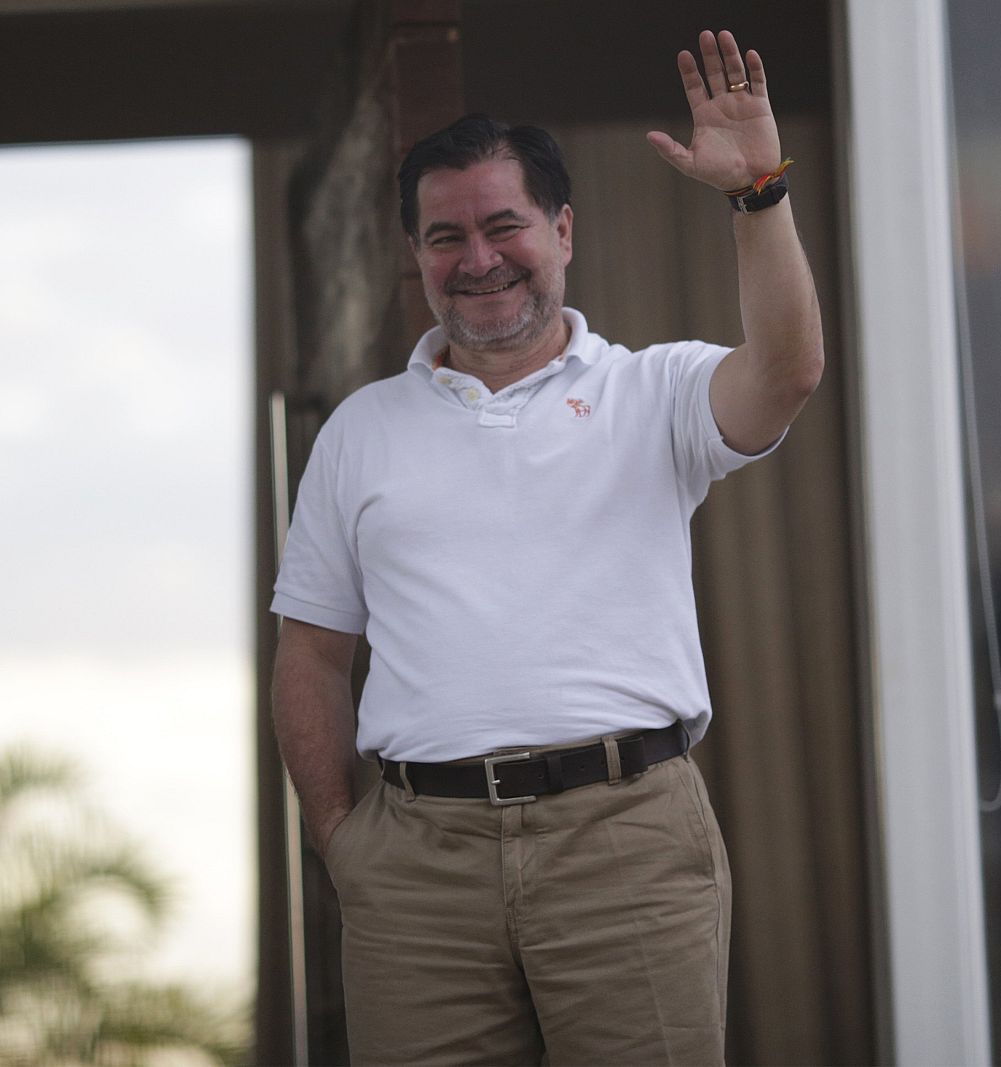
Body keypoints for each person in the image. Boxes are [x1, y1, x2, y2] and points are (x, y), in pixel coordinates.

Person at [269, 28, 821, 1065]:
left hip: (624, 844)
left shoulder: (651, 390)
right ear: (415, 254)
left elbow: (786, 369)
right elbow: (310, 655)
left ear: (564, 230)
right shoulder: (360, 430)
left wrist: (757, 194)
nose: (477, 258)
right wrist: (341, 837)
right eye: (445, 236)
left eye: (505, 224)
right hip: (414, 862)